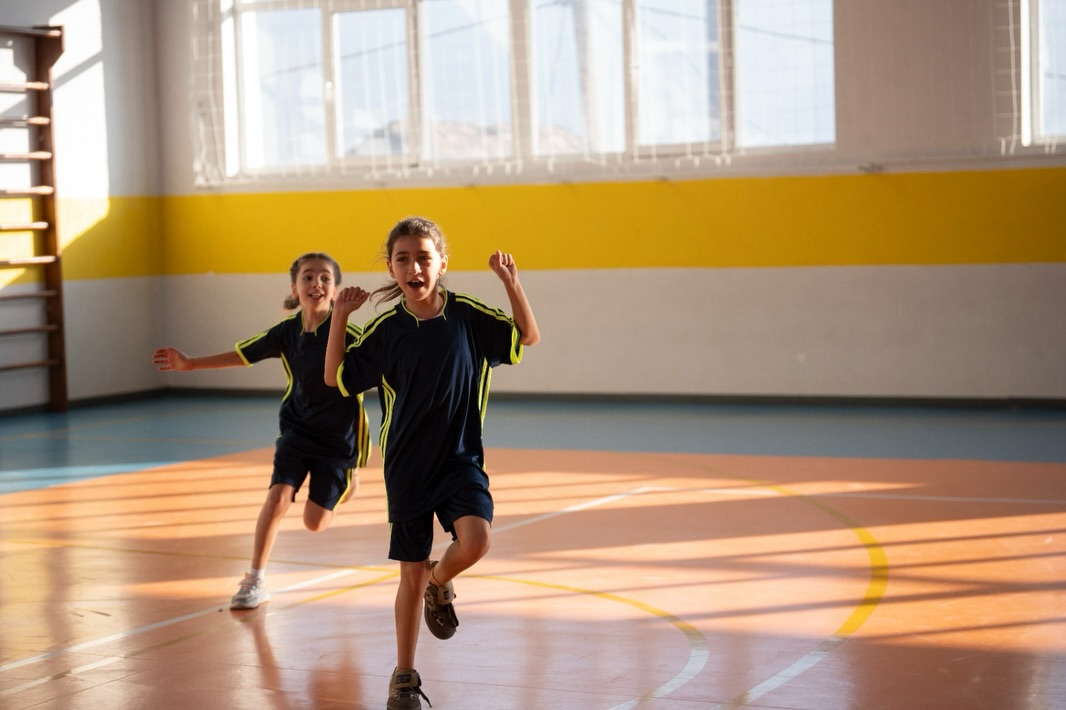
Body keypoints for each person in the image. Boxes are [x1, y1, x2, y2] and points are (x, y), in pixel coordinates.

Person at [324, 216, 540, 710]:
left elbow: (526, 337)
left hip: (461, 458)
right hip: (407, 468)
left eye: (424, 257)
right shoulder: (385, 330)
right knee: (408, 573)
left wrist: (511, 282)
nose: (414, 266)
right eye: (403, 258)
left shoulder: (465, 314)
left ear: (441, 264)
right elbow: (336, 377)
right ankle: (403, 676)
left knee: (477, 540)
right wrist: (340, 315)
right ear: (391, 267)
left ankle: (439, 585)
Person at [153, 252, 370, 610]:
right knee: (276, 497)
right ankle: (254, 579)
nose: (316, 283)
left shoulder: (351, 331)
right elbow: (244, 353)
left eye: (325, 278)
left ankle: (349, 480)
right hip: (297, 430)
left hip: (339, 439)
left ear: (336, 290)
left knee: (314, 523)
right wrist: (190, 364)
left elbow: (388, 362)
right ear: (294, 287)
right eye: (307, 277)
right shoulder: (286, 333)